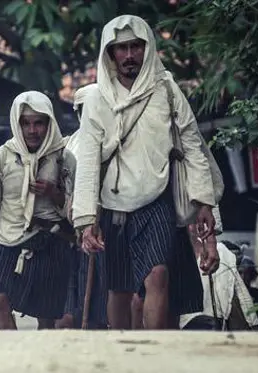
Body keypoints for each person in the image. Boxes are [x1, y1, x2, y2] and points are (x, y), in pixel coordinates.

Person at [72, 14, 219, 330]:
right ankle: (123, 352)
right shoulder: (96, 99)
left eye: (135, 46)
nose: (128, 55)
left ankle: (154, 353)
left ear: (147, 48)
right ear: (110, 54)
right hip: (112, 207)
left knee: (158, 274)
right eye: (121, 48)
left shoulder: (166, 89)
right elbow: (87, 161)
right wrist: (86, 220)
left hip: (157, 201)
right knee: (120, 289)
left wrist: (204, 202)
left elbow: (192, 145)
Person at [0, 91, 75, 330]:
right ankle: (11, 358)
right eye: (26, 123)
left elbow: (78, 209)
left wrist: (54, 194)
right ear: (17, 123)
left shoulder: (65, 158)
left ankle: (41, 364)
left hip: (51, 243)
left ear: (49, 123)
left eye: (38, 123)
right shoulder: (1, 157)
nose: (32, 130)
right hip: (6, 243)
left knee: (47, 317)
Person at [56, 83, 109, 330]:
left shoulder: (113, 141)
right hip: (72, 237)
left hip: (106, 234)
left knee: (101, 307)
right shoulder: (69, 147)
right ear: (78, 113)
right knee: (69, 312)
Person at [178, 227, 258, 331]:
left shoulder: (222, 254)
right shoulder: (169, 255)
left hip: (213, 324)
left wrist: (253, 326)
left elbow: (243, 299)